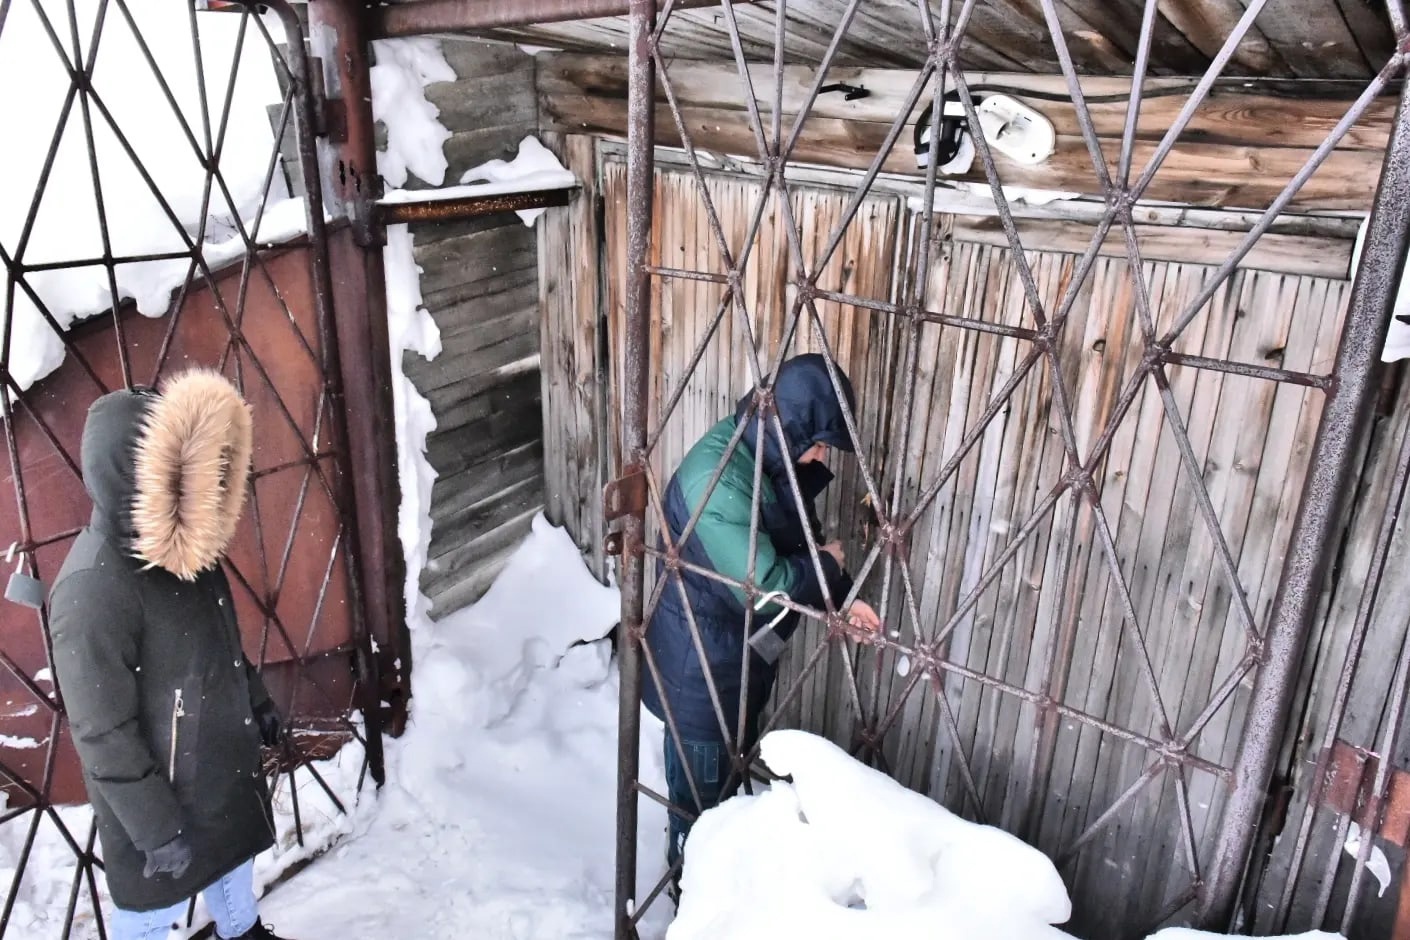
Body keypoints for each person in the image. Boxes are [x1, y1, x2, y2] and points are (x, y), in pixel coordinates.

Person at [48, 370, 293, 940]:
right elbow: (102, 730)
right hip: (161, 797)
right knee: (150, 916)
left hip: (219, 770)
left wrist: (255, 702)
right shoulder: (91, 589)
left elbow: (222, 647)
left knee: (233, 863)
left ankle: (243, 931)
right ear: (136, 473)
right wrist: (154, 828)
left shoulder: (189, 550)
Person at [641, 353, 881, 879]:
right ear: (792, 430)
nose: (822, 456)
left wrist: (839, 596)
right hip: (699, 675)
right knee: (700, 811)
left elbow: (793, 538)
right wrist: (829, 564)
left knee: (727, 791)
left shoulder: (768, 462)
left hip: (734, 662)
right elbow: (765, 589)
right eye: (819, 441)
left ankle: (722, 893)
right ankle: (689, 902)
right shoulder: (720, 482)